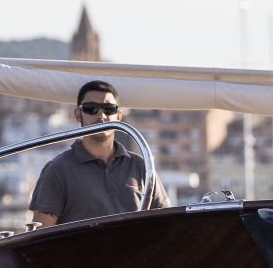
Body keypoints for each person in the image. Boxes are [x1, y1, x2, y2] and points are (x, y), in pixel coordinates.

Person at [29, 80, 170, 227]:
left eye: (109, 109)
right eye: (91, 109)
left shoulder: (142, 167)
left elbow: (167, 223)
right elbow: (40, 234)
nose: (101, 116)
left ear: (119, 116)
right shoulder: (57, 170)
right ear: (78, 114)